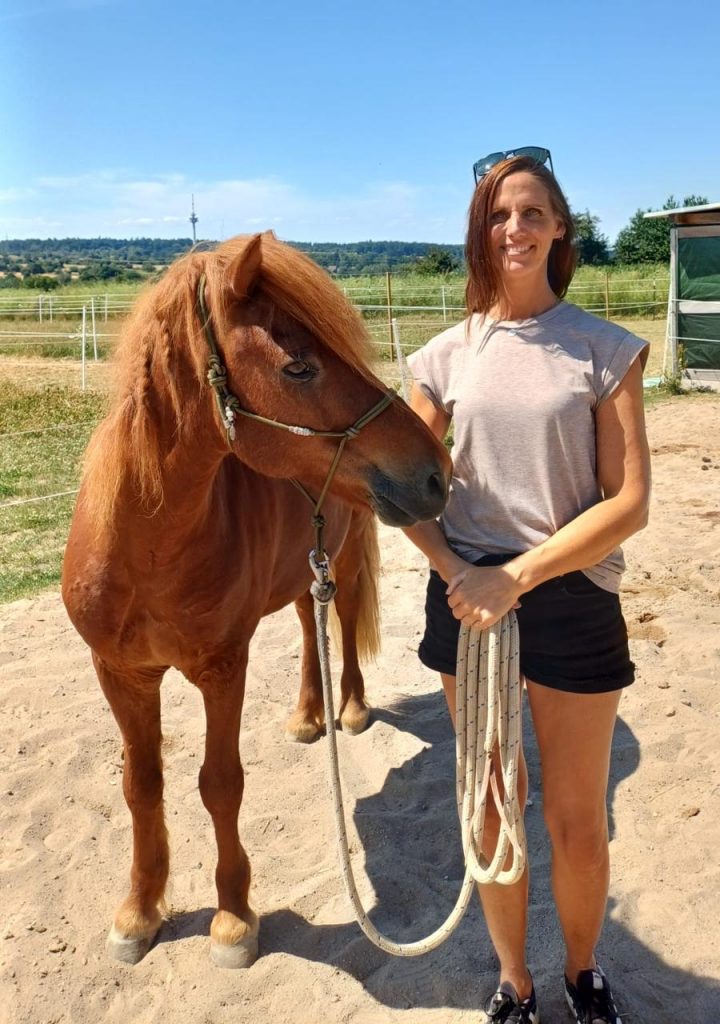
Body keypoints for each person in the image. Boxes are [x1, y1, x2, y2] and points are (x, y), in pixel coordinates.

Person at [403, 153, 651, 1024]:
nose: (517, 228)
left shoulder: (605, 349)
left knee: (579, 820)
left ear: (560, 229)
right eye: (500, 214)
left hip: (571, 598)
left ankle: (584, 975)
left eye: (534, 212)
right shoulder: (442, 357)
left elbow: (630, 502)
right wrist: (461, 574)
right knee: (492, 806)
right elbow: (403, 492)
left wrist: (518, 574)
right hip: (467, 600)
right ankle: (515, 982)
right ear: (481, 231)